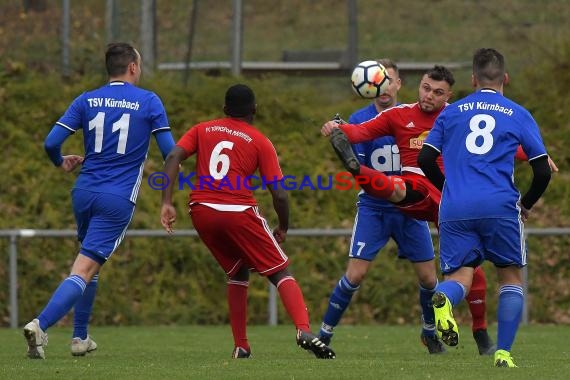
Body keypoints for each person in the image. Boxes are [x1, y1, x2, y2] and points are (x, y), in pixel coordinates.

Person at [321, 65, 496, 355]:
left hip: (450, 200)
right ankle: (360, 171)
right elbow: (358, 131)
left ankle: (479, 332)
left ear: (448, 95)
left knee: (467, 268)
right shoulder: (398, 115)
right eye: (426, 88)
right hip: (412, 191)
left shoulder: (459, 116)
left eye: (437, 92)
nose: (429, 96)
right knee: (399, 187)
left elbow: (495, 141)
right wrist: (336, 128)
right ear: (418, 86)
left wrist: (532, 153)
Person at [160, 84, 335, 359]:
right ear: (254, 110)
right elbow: (278, 192)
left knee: (237, 272)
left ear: (225, 110)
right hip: (238, 211)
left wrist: (167, 202)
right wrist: (283, 226)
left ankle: (241, 346)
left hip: (201, 211)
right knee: (280, 271)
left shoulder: (202, 129)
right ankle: (303, 329)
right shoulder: (259, 140)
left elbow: (172, 156)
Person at [24, 42, 176, 359]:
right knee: (84, 267)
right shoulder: (149, 101)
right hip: (117, 198)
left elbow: (51, 142)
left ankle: (80, 337)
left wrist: (60, 161)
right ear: (133, 67)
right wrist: (168, 198)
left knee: (90, 264)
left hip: (83, 192)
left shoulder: (87, 99)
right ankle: (41, 324)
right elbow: (170, 154)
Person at [417, 48, 551, 368]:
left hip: (456, 207)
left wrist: (449, 188)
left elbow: (424, 159)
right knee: (510, 279)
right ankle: (503, 353)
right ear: (504, 78)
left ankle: (444, 299)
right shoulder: (517, 113)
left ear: (473, 79)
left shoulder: (450, 113)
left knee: (460, 277)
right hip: (499, 205)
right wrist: (526, 204)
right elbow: (542, 171)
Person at [318, 59, 445, 354]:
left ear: (399, 84)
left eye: (387, 79)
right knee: (355, 275)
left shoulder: (417, 117)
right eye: (375, 80)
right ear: (364, 86)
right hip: (375, 207)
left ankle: (429, 331)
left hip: (411, 208)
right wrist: (336, 128)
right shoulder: (360, 120)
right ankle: (324, 334)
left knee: (428, 278)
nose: (381, 86)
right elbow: (359, 172)